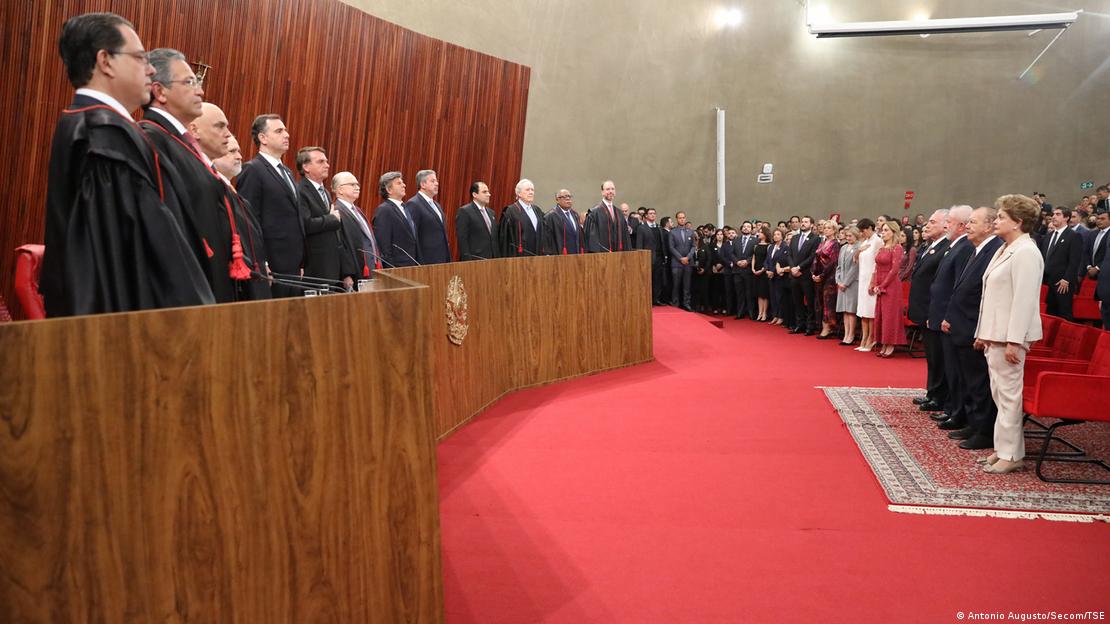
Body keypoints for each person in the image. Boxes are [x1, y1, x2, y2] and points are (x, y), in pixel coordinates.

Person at [42, 12, 213, 316]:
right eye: (139, 58)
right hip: (121, 324)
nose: (150, 70)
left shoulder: (97, 126)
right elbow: (113, 259)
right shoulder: (102, 135)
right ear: (105, 61)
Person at [140, 48, 239, 302]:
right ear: (160, 91)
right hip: (186, 294)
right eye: (189, 82)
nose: (201, 91)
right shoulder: (152, 140)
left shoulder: (178, 142)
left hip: (211, 282)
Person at [974, 194, 1044, 474]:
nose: (997, 221)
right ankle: (1002, 448)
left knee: (1009, 395)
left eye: (1002, 217)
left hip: (1008, 337)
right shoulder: (1005, 249)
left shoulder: (1027, 252)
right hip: (995, 334)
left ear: (1018, 222)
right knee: (999, 395)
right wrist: (983, 332)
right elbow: (990, 295)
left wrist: (1015, 340)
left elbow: (1024, 301)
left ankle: (1012, 454)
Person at [192, 108, 270, 301]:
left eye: (239, 151)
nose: (240, 156)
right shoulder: (213, 188)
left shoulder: (236, 195)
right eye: (233, 151)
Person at [941, 206, 1003, 450]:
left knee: (978, 382)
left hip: (974, 326)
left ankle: (984, 430)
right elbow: (962, 287)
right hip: (962, 323)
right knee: (967, 379)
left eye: (973, 222)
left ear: (988, 226)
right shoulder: (976, 249)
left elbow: (986, 295)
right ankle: (973, 422)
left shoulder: (993, 249)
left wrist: (981, 330)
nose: (968, 225)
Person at [235, 114, 303, 297]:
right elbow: (248, 220)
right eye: (279, 131)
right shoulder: (253, 170)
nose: (287, 135)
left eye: (286, 130)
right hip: (271, 265)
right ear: (262, 138)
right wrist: (261, 262)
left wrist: (300, 263)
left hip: (293, 266)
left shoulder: (287, 172)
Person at [927, 206, 974, 427]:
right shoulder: (954, 246)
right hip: (941, 312)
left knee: (953, 369)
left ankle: (954, 410)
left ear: (961, 226)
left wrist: (947, 316)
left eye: (950, 222)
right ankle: (950, 407)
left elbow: (957, 287)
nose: (947, 225)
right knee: (945, 364)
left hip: (950, 316)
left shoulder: (963, 247)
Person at [907, 209, 951, 412]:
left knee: (937, 356)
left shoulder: (946, 247)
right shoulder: (932, 245)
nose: (927, 225)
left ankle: (938, 396)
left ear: (945, 225)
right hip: (924, 309)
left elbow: (939, 283)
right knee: (931, 356)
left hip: (932, 310)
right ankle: (932, 392)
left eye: (932, 222)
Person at [296, 146, 354, 287]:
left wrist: (345, 272)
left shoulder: (326, 193)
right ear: (306, 167)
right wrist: (332, 219)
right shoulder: (300, 191)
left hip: (332, 268)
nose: (327, 165)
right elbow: (305, 224)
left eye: (326, 161)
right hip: (315, 268)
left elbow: (335, 235)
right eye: (320, 161)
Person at [331, 171, 381, 278]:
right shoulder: (337, 211)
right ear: (340, 190)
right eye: (352, 184)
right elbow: (339, 245)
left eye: (357, 184)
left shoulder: (357, 210)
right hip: (354, 271)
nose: (357, 187)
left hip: (370, 267)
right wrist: (346, 274)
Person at [1040, 207, 1084, 320]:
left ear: (1066, 218)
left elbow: (1074, 261)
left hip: (1062, 282)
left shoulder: (1073, 236)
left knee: (1064, 312)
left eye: (1058, 214)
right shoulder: (1048, 236)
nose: (1054, 216)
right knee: (1049, 313)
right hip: (1046, 281)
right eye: (1054, 214)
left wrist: (1067, 279)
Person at [870, 221, 905, 358]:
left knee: (890, 315)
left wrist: (882, 286)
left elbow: (894, 270)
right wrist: (875, 285)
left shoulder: (897, 248)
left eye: (886, 230)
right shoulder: (882, 247)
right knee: (881, 315)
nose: (882, 233)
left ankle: (890, 344)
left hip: (891, 286)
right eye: (882, 230)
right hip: (880, 283)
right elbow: (877, 268)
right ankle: (883, 342)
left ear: (893, 232)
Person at [373, 171, 421, 267]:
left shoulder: (405, 207)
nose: (404, 185)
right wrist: (391, 270)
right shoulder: (384, 210)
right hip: (397, 267)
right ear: (389, 189)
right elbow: (384, 246)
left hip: (412, 265)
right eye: (399, 183)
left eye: (402, 182)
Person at [406, 169, 451, 264]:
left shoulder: (437, 205)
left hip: (442, 258)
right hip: (426, 260)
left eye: (436, 181)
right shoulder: (413, 204)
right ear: (423, 184)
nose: (437, 183)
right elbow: (414, 235)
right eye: (433, 181)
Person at [788, 216, 820, 335]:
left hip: (805, 274)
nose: (803, 224)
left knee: (809, 301)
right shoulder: (795, 238)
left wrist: (799, 267)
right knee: (797, 301)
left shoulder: (815, 239)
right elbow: (789, 254)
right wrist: (792, 268)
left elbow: (812, 256)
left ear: (811, 224)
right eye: (802, 222)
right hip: (794, 274)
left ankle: (810, 326)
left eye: (806, 222)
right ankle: (799, 324)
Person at [499, 178, 544, 257]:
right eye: (527, 190)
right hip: (518, 257)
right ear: (518, 193)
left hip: (537, 255)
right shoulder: (510, 211)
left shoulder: (537, 210)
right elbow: (505, 239)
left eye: (532, 190)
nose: (531, 192)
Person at [583, 180, 631, 253]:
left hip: (618, 256)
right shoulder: (594, 213)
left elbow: (625, 238)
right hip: (601, 257)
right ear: (602, 192)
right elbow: (592, 240)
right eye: (608, 189)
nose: (611, 191)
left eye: (612, 189)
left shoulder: (619, 213)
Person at [812, 220, 841, 338]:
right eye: (825, 227)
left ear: (834, 230)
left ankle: (828, 328)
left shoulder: (835, 244)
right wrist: (814, 273)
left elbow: (833, 262)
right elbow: (816, 258)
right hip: (819, 276)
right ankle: (821, 326)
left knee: (828, 302)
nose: (826, 229)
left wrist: (822, 275)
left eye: (829, 228)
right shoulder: (822, 242)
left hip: (829, 277)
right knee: (820, 302)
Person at [854, 219, 880, 352]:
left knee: (870, 311)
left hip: (871, 279)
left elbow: (877, 263)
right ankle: (864, 338)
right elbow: (855, 260)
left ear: (870, 227)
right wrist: (858, 250)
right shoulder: (865, 242)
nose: (862, 233)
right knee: (863, 312)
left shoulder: (877, 240)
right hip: (862, 279)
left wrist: (873, 281)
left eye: (863, 230)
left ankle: (871, 338)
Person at [456, 181, 498, 261]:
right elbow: (462, 239)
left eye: (488, 192)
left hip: (492, 260)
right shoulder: (465, 211)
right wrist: (467, 261)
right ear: (474, 194)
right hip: (475, 260)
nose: (489, 194)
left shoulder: (491, 213)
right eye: (484, 192)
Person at [634, 208, 666, 305]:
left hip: (659, 258)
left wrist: (665, 256)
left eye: (654, 213)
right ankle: (646, 300)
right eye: (650, 213)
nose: (652, 215)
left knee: (657, 280)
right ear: (646, 216)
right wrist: (640, 258)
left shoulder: (659, 227)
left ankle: (656, 299)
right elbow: (639, 244)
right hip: (647, 258)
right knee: (647, 280)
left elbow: (662, 243)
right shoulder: (642, 228)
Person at [835, 226, 861, 345]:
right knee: (845, 310)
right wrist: (838, 280)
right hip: (841, 284)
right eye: (847, 236)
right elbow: (839, 266)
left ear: (856, 235)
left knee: (851, 310)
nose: (848, 238)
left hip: (852, 283)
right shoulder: (843, 247)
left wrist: (845, 283)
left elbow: (855, 268)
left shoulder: (859, 248)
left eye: (850, 236)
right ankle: (846, 334)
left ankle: (851, 335)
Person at [542, 189, 583, 255]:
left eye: (569, 196)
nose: (568, 199)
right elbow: (547, 241)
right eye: (564, 197)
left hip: (576, 255)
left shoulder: (575, 214)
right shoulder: (550, 216)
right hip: (559, 256)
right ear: (557, 200)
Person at [669, 211, 695, 310]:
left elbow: (693, 246)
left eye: (683, 217)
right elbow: (671, 248)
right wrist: (681, 258)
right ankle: (675, 304)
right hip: (677, 262)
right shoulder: (672, 232)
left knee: (687, 285)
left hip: (688, 262)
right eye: (680, 218)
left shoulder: (690, 232)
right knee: (676, 284)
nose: (682, 219)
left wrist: (687, 257)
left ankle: (686, 304)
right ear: (677, 219)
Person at [767, 229, 789, 325]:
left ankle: (781, 316)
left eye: (778, 234)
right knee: (773, 297)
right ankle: (775, 315)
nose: (775, 236)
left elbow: (780, 261)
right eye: (774, 234)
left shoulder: (785, 247)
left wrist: (773, 271)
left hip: (779, 276)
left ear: (782, 236)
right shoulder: (771, 247)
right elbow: (767, 260)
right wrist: (767, 269)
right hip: (770, 275)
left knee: (779, 297)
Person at [751, 226, 770, 321]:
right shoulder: (756, 245)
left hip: (763, 272)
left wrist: (762, 269)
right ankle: (759, 313)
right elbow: (754, 257)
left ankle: (764, 313)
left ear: (765, 234)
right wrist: (753, 268)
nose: (759, 234)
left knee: (764, 294)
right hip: (756, 271)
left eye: (761, 232)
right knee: (758, 293)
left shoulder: (769, 246)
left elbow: (768, 260)